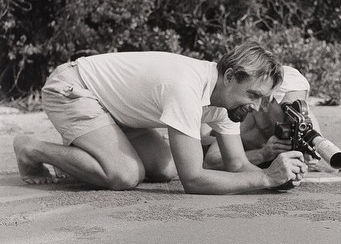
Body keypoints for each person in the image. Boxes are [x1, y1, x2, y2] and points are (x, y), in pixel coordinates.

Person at [13, 42, 309, 194]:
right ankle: (31, 148)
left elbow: (236, 165)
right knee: (124, 175)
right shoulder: (185, 88)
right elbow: (193, 180)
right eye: (254, 95)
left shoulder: (229, 100)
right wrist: (265, 178)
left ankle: (93, 149)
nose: (257, 108)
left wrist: (277, 180)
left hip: (119, 111)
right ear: (230, 76)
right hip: (73, 88)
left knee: (166, 169)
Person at [202, 66, 330, 174]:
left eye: (300, 106)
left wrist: (309, 159)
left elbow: (323, 155)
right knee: (203, 133)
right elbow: (210, 162)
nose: (294, 117)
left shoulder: (305, 121)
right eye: (289, 108)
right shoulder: (242, 115)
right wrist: (262, 154)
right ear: (266, 101)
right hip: (207, 135)